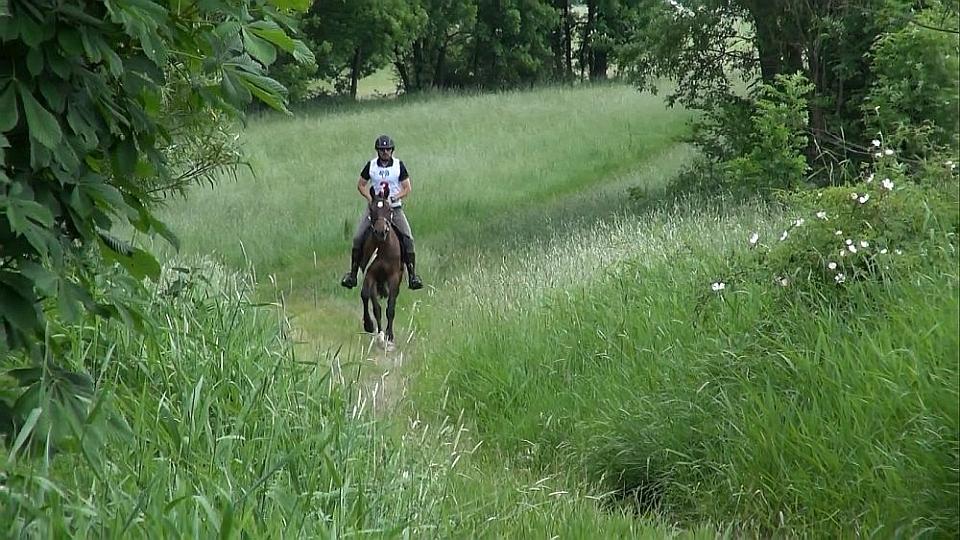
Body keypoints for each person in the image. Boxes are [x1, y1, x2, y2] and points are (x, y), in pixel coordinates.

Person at [341, 134, 424, 290]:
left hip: (394, 208)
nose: (385, 152)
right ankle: (352, 274)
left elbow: (407, 188)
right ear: (377, 151)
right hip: (374, 209)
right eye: (382, 150)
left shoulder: (399, 166)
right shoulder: (371, 166)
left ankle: (412, 274)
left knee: (408, 237)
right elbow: (361, 184)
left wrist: (394, 197)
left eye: (388, 149)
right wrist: (370, 199)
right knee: (358, 237)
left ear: (392, 150)